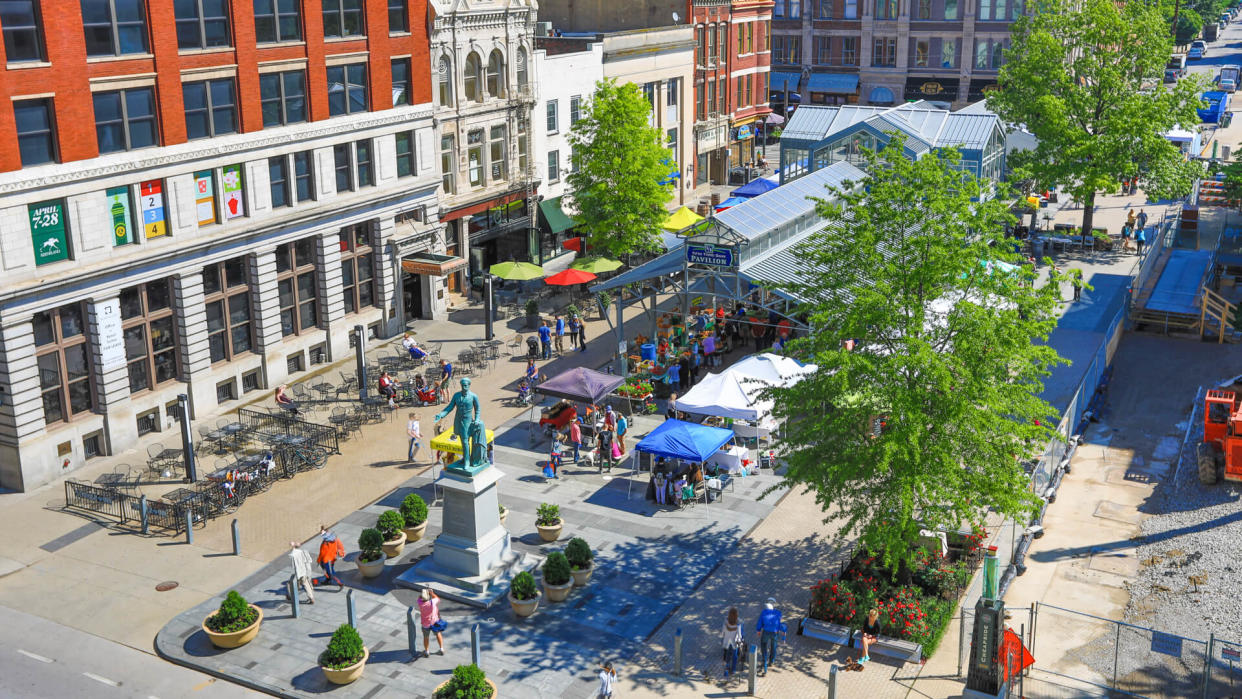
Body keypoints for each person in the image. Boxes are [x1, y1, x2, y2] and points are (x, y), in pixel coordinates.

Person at [755, 598, 783, 675]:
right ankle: (771, 661)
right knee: (773, 646)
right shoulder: (777, 613)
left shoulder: (763, 613)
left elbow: (760, 622)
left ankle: (764, 662)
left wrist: (758, 630)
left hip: (766, 632)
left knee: (763, 646)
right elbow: (780, 619)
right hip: (775, 633)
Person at [417, 589, 446, 657]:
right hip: (434, 622)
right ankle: (441, 649)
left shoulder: (420, 603)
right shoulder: (432, 602)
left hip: (425, 624)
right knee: (438, 634)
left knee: (426, 637)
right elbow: (437, 598)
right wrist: (432, 593)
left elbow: (419, 598)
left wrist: (423, 594)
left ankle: (427, 651)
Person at [722, 607, 743, 677]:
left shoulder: (726, 623)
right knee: (734, 656)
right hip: (734, 642)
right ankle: (733, 670)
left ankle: (727, 667)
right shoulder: (738, 625)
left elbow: (723, 633)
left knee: (728, 654)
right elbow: (739, 636)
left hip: (727, 641)